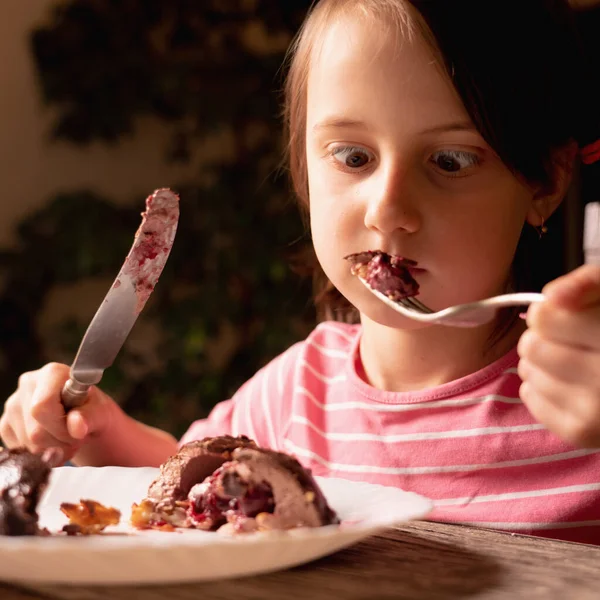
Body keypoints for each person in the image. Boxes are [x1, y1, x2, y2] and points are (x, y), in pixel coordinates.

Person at [2, 0, 600, 543]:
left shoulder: (585, 393)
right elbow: (183, 484)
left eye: (449, 160)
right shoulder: (295, 391)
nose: (387, 209)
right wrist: (97, 429)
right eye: (353, 157)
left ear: (544, 182)